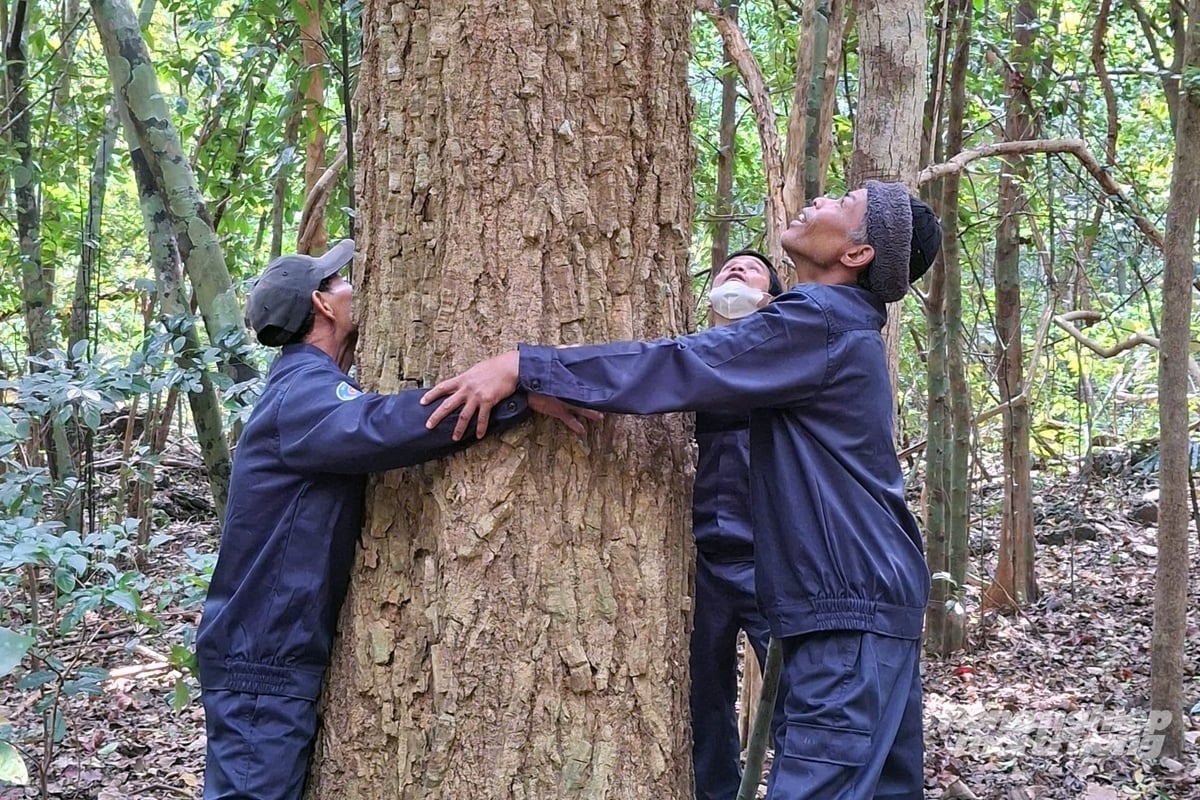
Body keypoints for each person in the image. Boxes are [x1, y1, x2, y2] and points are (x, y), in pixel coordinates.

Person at [419, 182, 942, 800]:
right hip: (876, 601)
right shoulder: (839, 331)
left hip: (847, 610)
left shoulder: (819, 320)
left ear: (856, 254)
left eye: (842, 203)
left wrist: (527, 366)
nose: (819, 201)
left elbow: (678, 365)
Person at [195, 240, 597, 800]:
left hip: (270, 657)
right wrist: (510, 394)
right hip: (261, 664)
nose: (356, 287)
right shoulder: (301, 394)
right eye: (342, 282)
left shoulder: (303, 388)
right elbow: (381, 426)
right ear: (324, 305)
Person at [692, 249, 783, 800]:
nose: (733, 272)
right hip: (703, 563)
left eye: (748, 271)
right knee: (704, 702)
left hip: (770, 563)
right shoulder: (687, 360)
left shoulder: (785, 355)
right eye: (726, 268)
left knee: (797, 696)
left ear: (769, 295)